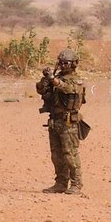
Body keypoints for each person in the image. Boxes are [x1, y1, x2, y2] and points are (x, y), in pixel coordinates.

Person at [37, 48, 88, 194]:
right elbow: (41, 89)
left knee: (70, 154)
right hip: (55, 122)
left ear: (74, 64)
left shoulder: (76, 80)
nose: (63, 65)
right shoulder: (56, 78)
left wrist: (53, 79)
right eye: (61, 62)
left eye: (66, 63)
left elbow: (67, 89)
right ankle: (60, 183)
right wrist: (46, 79)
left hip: (68, 123)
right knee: (56, 155)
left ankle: (76, 184)